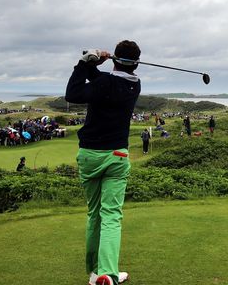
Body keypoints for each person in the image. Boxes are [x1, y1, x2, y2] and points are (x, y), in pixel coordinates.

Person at [66, 40, 142, 285]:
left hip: (89, 155)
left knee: (94, 214)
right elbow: (102, 82)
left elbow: (73, 93)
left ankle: (95, 272)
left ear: (115, 60)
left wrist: (85, 62)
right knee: (111, 215)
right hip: (117, 157)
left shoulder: (105, 83)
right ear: (136, 64)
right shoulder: (134, 84)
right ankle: (107, 274)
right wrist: (93, 65)